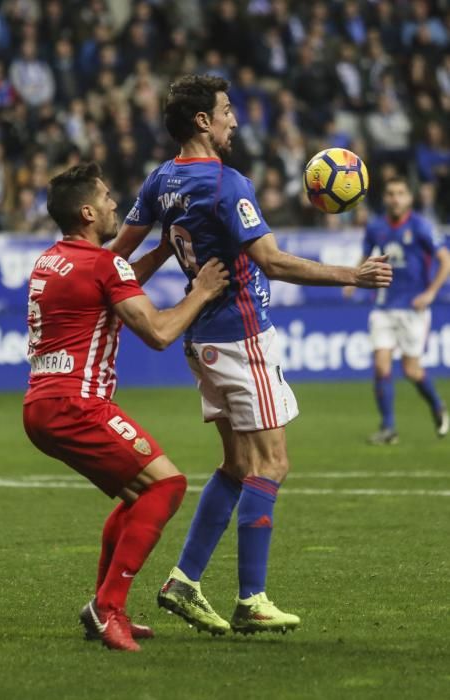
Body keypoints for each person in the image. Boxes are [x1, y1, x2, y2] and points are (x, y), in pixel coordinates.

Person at [111, 74, 392, 636]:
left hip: (202, 339)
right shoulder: (225, 183)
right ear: (202, 122)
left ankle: (185, 582)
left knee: (238, 465)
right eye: (226, 110)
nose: (234, 120)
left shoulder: (160, 180)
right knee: (272, 464)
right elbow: (274, 262)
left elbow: (116, 255)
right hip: (240, 334)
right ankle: (252, 598)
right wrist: (351, 276)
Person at [22, 162, 229, 652]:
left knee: (140, 495)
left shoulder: (52, 260)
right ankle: (107, 607)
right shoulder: (103, 265)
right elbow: (157, 333)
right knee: (169, 486)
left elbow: (108, 280)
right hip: (78, 403)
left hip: (42, 404)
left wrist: (159, 249)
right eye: (109, 196)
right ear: (89, 212)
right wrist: (200, 292)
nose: (117, 203)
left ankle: (103, 604)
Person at [345, 176, 450, 445]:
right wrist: (351, 278)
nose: (395, 198)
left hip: (413, 307)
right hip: (382, 306)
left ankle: (437, 405)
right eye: (391, 193)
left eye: (400, 193)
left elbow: (444, 260)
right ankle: (388, 428)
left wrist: (430, 293)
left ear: (409, 198)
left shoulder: (421, 227)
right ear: (385, 198)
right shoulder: (376, 227)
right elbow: (366, 255)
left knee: (412, 371)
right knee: (381, 367)